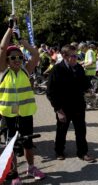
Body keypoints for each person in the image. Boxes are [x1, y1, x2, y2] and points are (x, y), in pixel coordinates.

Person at [0, 16, 45, 184]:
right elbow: (3, 47)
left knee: (28, 143)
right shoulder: (3, 71)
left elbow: (35, 54)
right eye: (13, 58)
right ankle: (14, 173)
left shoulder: (26, 70)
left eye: (19, 57)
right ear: (7, 60)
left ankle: (31, 167)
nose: (17, 60)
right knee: (11, 145)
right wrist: (10, 28)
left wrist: (21, 40)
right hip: (9, 115)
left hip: (26, 113)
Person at [46, 44, 96, 163]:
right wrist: (58, 110)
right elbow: (50, 92)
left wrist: (89, 89)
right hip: (63, 107)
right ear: (64, 56)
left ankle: (82, 153)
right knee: (62, 130)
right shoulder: (57, 69)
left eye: (77, 56)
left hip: (78, 105)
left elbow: (84, 82)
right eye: (73, 56)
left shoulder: (78, 67)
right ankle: (59, 151)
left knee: (81, 130)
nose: (76, 58)